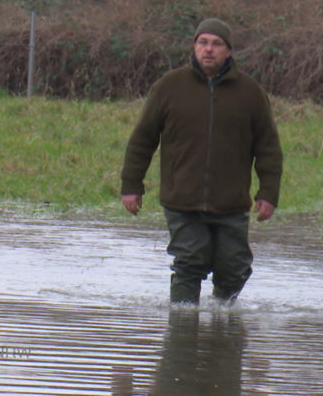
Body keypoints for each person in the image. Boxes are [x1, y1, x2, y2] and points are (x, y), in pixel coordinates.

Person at [121, 18, 283, 306]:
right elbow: (142, 140)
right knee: (190, 260)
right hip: (182, 198)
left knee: (234, 268)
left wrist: (268, 193)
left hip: (231, 202)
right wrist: (131, 185)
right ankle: (183, 327)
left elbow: (268, 148)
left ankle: (223, 319)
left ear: (229, 51)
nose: (208, 49)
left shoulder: (251, 93)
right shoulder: (169, 87)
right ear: (194, 47)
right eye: (202, 42)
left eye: (216, 44)